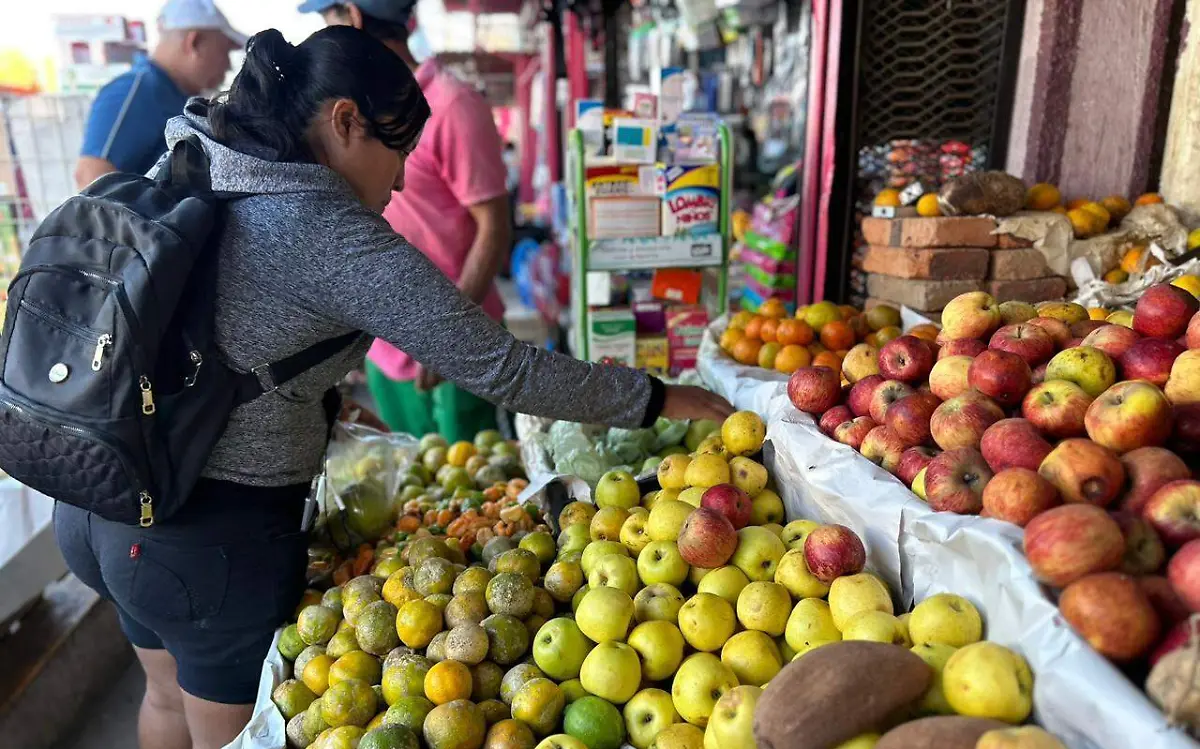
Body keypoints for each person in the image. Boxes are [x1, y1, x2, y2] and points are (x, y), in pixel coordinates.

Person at [53, 26, 732, 749]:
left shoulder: (201, 156)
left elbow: (221, 328)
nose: (403, 180)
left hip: (102, 493)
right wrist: (662, 397)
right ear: (344, 121)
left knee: (163, 700)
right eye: (398, 151)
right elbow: (505, 367)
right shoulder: (327, 227)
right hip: (203, 534)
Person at [301, 0, 514, 443]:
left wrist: (448, 336)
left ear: (353, 17)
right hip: (386, 348)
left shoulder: (453, 104)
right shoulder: (349, 118)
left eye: (329, 20)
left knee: (474, 486)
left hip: (458, 346)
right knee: (413, 491)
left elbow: (494, 225)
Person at [75, 0, 244, 189]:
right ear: (194, 43)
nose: (228, 65)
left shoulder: (177, 96)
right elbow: (91, 177)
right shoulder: (136, 91)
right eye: (224, 52)